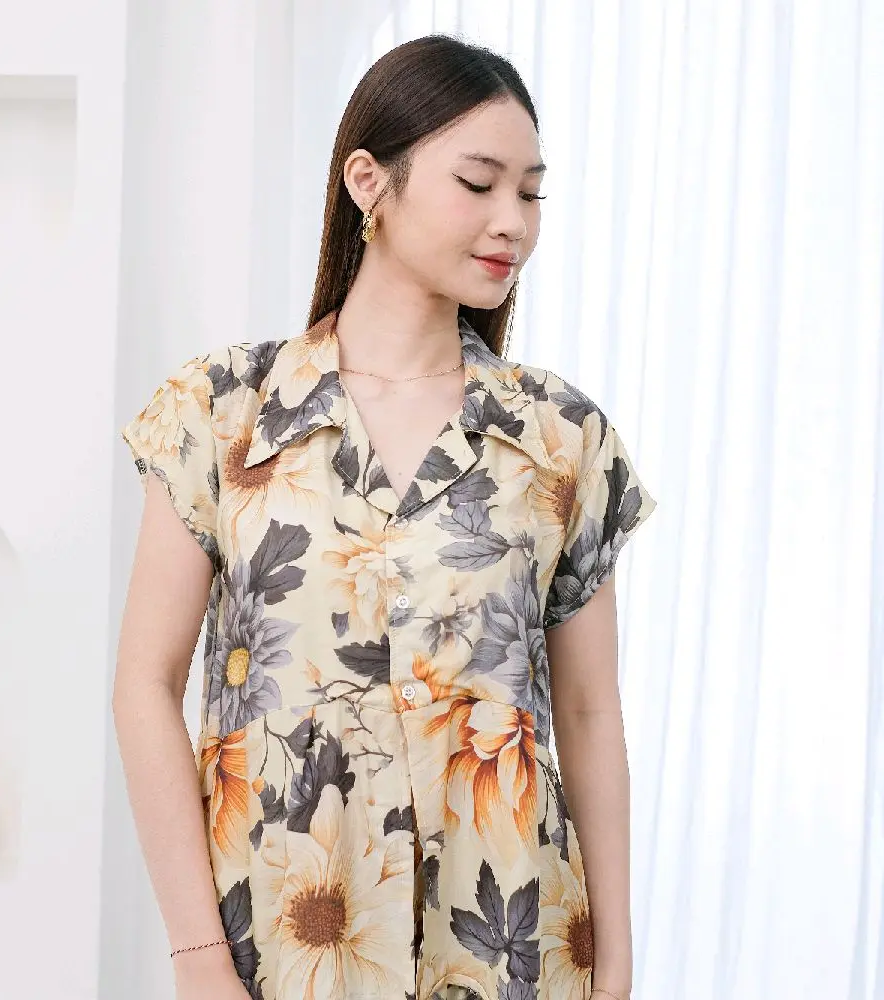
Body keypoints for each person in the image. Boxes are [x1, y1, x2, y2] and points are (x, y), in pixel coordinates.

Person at [114, 33, 656, 1000]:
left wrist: (613, 966)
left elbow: (588, 710)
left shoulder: (561, 436)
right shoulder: (220, 413)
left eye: (531, 193)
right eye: (479, 183)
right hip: (280, 955)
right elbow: (144, 688)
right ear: (370, 183)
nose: (513, 222)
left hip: (514, 954)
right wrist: (199, 957)